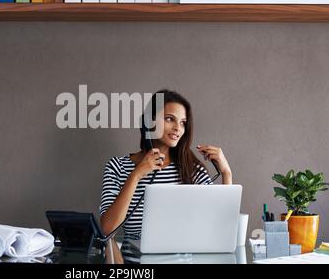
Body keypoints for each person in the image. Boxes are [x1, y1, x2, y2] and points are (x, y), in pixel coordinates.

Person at [99, 89, 233, 239]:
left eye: (183, 123)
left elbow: (221, 226)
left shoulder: (192, 169)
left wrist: (226, 174)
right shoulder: (118, 167)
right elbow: (107, 229)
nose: (178, 128)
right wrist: (136, 175)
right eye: (170, 119)